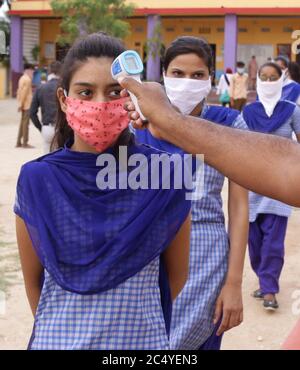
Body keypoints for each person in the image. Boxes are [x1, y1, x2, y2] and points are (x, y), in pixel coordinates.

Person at [15, 33, 191, 350]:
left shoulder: (165, 176)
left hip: (140, 344)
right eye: (86, 92)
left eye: (114, 92)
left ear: (131, 97)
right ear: (64, 99)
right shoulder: (37, 179)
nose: (100, 104)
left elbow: (176, 277)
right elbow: (34, 283)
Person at [135, 36, 248, 350]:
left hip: (206, 253)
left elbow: (239, 207)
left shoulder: (229, 123)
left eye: (197, 75)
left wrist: (234, 283)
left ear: (210, 79)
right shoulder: (139, 125)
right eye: (178, 74)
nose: (187, 82)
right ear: (163, 77)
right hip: (147, 250)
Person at [243, 62, 300, 311]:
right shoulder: (248, 111)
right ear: (257, 80)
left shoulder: (291, 110)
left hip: (278, 187)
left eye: (272, 77)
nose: (267, 82)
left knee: (273, 243)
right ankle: (264, 279)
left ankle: (269, 290)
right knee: (254, 243)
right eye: (263, 78)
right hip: (251, 184)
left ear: (281, 79)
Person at [30, 61, 62, 153]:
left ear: (49, 72)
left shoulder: (40, 88)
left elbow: (32, 113)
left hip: (47, 127)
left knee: (47, 159)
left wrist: (40, 128)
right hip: (62, 128)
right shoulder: (64, 87)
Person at [16, 63, 35, 148]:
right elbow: (23, 93)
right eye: (32, 71)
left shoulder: (22, 78)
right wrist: (21, 104)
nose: (33, 73)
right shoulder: (27, 80)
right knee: (25, 124)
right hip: (27, 104)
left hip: (23, 103)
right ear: (28, 70)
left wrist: (19, 103)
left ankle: (18, 142)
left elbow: (19, 92)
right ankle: (25, 143)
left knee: (22, 123)